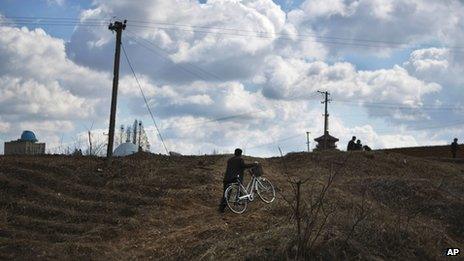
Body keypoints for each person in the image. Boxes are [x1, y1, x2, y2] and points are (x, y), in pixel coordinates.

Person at [219, 148, 256, 213]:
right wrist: (254, 164)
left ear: (234, 153)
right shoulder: (240, 159)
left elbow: (236, 167)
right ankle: (239, 203)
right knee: (240, 190)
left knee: (226, 193)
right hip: (235, 178)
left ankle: (221, 208)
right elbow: (243, 166)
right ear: (240, 154)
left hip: (227, 178)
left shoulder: (230, 160)